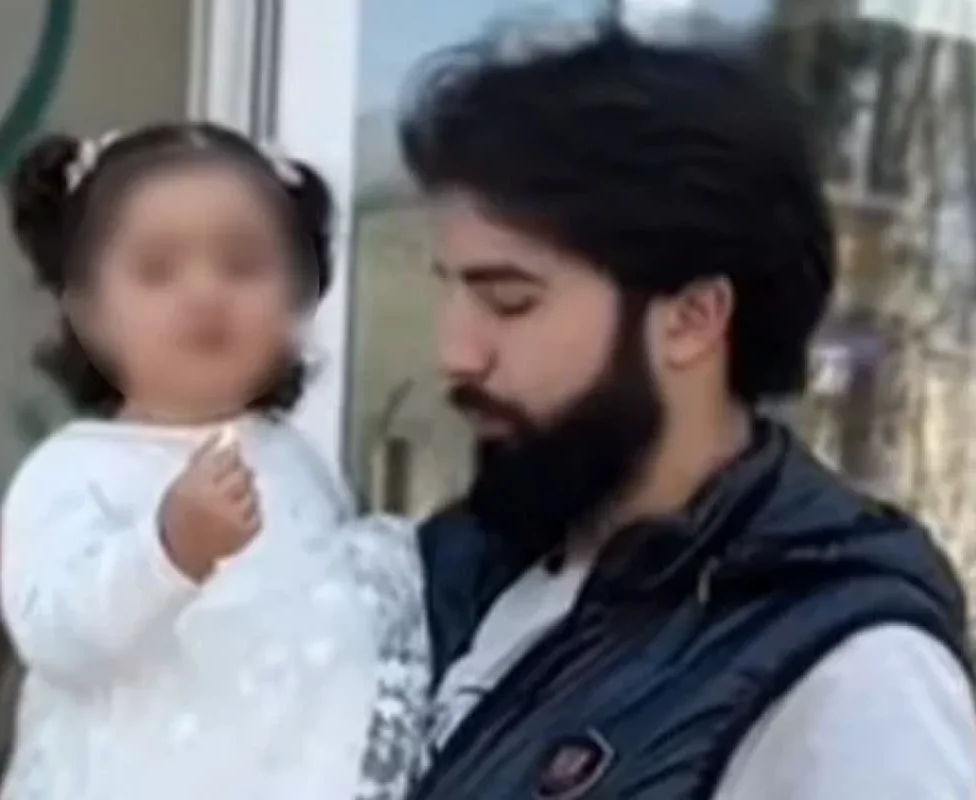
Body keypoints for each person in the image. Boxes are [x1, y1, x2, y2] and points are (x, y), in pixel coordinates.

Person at [402, 26, 976, 800]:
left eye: (510, 301)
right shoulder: (462, 569)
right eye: (448, 289)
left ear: (693, 318)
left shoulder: (855, 682)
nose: (456, 352)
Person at [0, 123, 428, 800]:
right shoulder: (73, 471)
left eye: (243, 266)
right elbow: (56, 637)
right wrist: (167, 551)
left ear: (299, 296)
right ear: (87, 311)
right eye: (157, 270)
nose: (204, 294)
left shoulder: (296, 461)